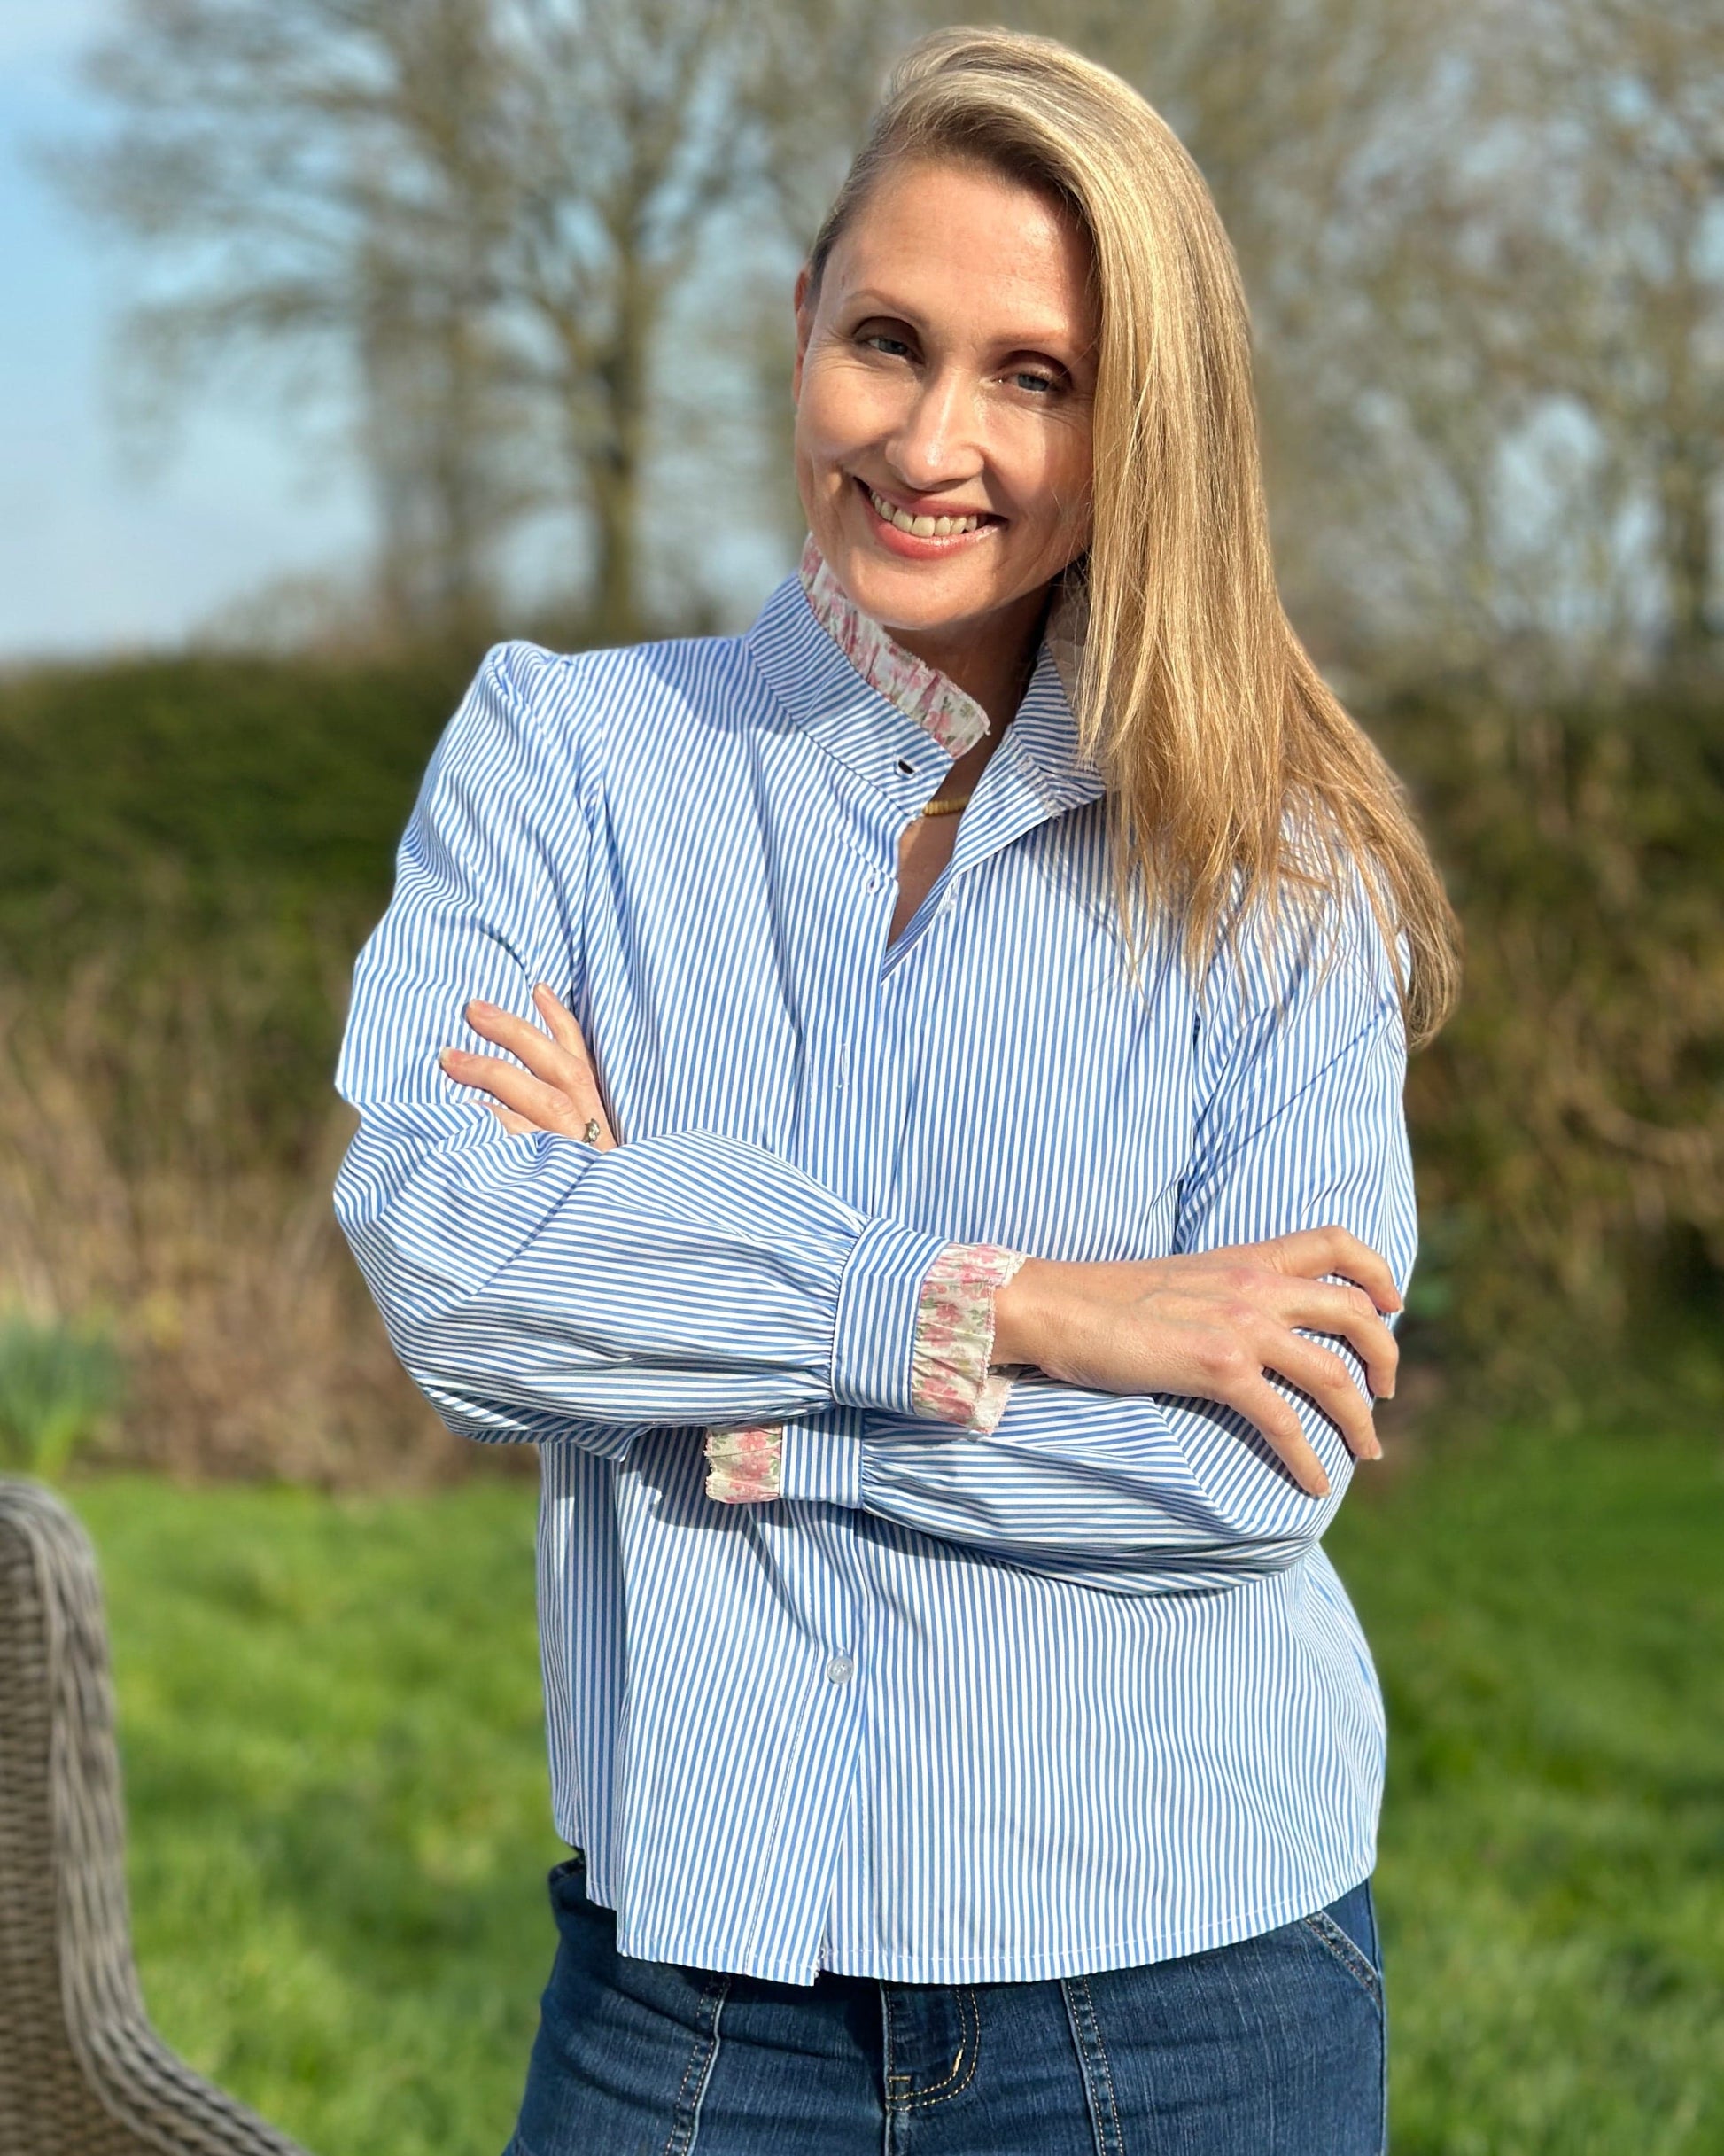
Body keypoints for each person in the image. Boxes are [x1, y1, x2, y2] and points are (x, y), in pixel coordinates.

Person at [334, 27, 1459, 2155]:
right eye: (887, 340)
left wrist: (706, 1376)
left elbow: (1253, 1470)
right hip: (691, 1997)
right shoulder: (564, 762)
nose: (935, 439)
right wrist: (1024, 1307)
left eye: (1032, 374)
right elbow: (452, 1269)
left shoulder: (1280, 864)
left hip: (1186, 1996)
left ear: (1140, 425)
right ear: (801, 325)